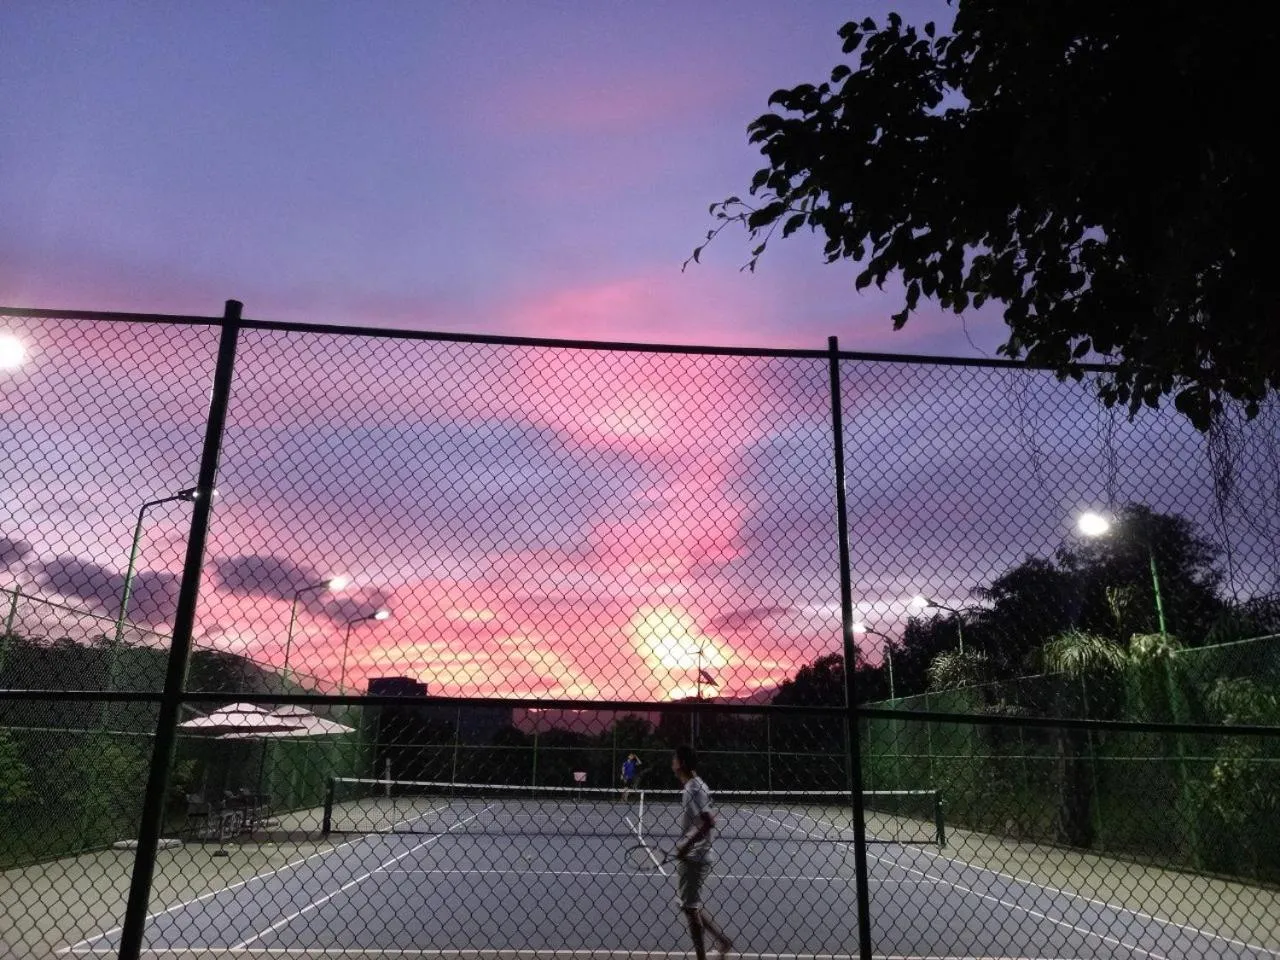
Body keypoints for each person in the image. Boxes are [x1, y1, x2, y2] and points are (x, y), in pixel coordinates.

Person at [671, 744, 733, 960]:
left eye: (675, 759)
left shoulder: (693, 789)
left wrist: (686, 845)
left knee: (690, 908)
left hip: (695, 856)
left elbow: (708, 822)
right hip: (695, 854)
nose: (672, 762)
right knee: (691, 907)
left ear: (682, 764)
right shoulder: (695, 786)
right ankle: (723, 941)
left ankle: (702, 957)